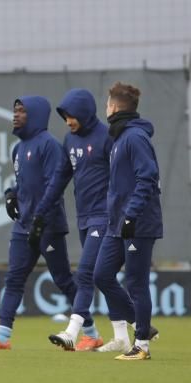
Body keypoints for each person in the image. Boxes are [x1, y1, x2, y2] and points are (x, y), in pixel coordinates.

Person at [0, 96, 78, 350]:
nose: (16, 115)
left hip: (48, 225)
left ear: (35, 115)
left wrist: (41, 218)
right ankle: (2, 337)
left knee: (63, 279)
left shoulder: (50, 146)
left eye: (22, 111)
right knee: (14, 278)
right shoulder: (19, 148)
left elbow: (53, 187)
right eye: (15, 111)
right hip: (23, 224)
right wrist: (11, 194)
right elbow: (24, 182)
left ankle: (89, 331)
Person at [37, 89, 112, 351]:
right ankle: (135, 329)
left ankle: (73, 332)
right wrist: (41, 210)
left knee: (85, 273)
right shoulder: (69, 141)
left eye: (71, 116)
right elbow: (60, 178)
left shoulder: (107, 137)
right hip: (84, 218)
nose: (68, 121)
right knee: (106, 278)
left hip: (104, 217)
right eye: (64, 116)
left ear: (84, 112)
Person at [92, 82, 162, 360]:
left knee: (136, 282)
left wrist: (131, 214)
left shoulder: (135, 138)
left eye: (107, 103)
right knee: (101, 275)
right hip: (117, 224)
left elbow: (148, 177)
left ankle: (142, 344)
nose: (105, 107)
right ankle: (143, 325)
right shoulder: (119, 139)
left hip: (137, 223)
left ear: (115, 107)